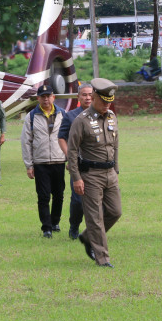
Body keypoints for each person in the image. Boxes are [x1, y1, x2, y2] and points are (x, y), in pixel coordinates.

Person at [67, 78, 121, 268]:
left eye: (110, 101)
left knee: (115, 211)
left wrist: (115, 169)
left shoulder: (112, 116)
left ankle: (87, 236)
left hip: (110, 173)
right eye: (104, 101)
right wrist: (76, 178)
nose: (107, 105)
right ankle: (103, 258)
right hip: (90, 175)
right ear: (95, 97)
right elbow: (72, 151)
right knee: (95, 217)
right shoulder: (81, 121)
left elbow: (115, 145)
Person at [21, 84, 67, 238]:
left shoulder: (63, 114)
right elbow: (26, 141)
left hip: (59, 161)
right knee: (43, 196)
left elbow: (69, 138)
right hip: (40, 163)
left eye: (48, 96)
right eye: (43, 96)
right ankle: (46, 227)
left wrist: (70, 159)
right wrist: (29, 165)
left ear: (53, 97)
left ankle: (55, 222)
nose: (46, 99)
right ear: (38, 98)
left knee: (59, 195)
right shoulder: (31, 116)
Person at [57, 82, 93, 240]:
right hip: (77, 165)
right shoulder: (70, 116)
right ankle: (74, 226)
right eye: (84, 94)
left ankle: (93, 231)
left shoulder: (99, 114)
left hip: (96, 165)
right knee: (78, 200)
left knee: (96, 200)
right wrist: (70, 157)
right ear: (78, 97)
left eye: (90, 94)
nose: (88, 97)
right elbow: (61, 138)